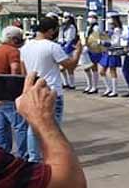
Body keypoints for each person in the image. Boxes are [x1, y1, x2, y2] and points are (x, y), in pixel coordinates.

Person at [20, 16, 83, 162]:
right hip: (51, 92)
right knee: (52, 128)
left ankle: (33, 158)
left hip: (33, 90)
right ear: (50, 31)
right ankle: (52, 157)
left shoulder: (25, 47)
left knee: (33, 126)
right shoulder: (52, 47)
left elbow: (24, 72)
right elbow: (70, 66)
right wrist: (78, 51)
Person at [0, 26, 29, 157]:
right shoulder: (13, 51)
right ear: (14, 39)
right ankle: (23, 155)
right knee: (20, 125)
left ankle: (1, 153)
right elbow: (15, 70)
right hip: (9, 93)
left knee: (1, 126)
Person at [98, 14, 123, 98]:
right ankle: (108, 88)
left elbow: (116, 42)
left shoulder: (117, 29)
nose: (108, 20)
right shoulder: (110, 29)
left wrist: (104, 43)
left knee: (112, 70)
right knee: (102, 71)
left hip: (113, 51)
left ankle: (114, 91)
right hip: (107, 51)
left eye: (110, 18)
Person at [56, 13, 79, 90]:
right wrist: (60, 42)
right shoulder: (62, 27)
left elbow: (70, 38)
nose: (64, 19)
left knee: (69, 67)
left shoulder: (71, 27)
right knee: (61, 68)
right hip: (61, 47)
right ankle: (65, 83)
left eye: (66, 17)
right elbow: (60, 37)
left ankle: (72, 84)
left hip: (68, 48)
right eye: (64, 17)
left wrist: (64, 43)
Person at [81, 12, 102, 94]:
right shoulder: (88, 27)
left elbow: (96, 39)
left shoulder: (96, 27)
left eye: (92, 17)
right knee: (86, 67)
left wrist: (89, 46)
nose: (90, 18)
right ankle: (89, 85)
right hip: (87, 48)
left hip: (93, 49)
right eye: (89, 16)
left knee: (94, 68)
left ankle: (94, 87)